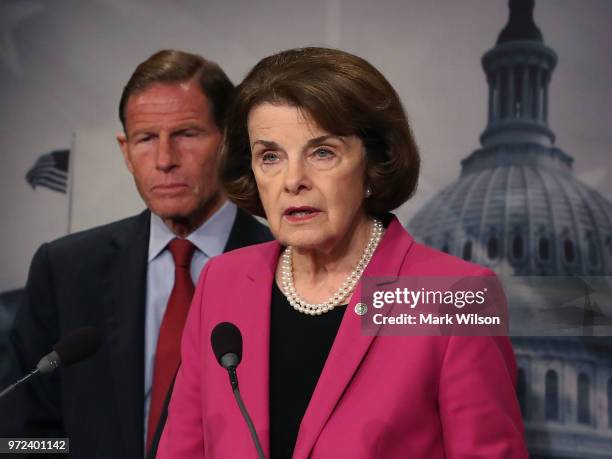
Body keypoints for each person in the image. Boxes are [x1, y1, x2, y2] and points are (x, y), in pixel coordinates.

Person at [157, 47, 529, 458]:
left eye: (322, 152)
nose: (293, 180)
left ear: (374, 163)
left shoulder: (452, 298)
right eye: (271, 156)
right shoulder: (221, 284)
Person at [0, 50, 272, 459]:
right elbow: (21, 437)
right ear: (126, 151)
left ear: (229, 142)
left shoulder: (289, 263)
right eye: (146, 139)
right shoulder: (65, 269)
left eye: (187, 134)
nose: (164, 160)